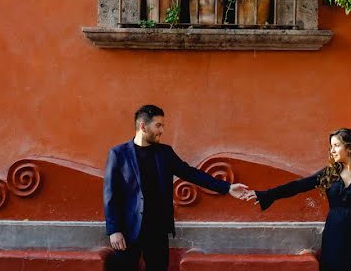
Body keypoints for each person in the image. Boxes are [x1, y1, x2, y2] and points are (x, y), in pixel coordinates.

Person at [103, 104, 252, 271]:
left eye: (163, 125)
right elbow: (111, 194)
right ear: (143, 126)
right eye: (158, 125)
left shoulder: (165, 153)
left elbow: (190, 173)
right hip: (128, 231)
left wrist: (227, 187)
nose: (162, 130)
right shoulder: (118, 154)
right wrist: (114, 230)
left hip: (157, 230)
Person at [248, 128, 351, 271]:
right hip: (334, 232)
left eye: (336, 146)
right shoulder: (329, 173)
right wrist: (266, 195)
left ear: (349, 147)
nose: (332, 150)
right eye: (331, 146)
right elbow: (298, 186)